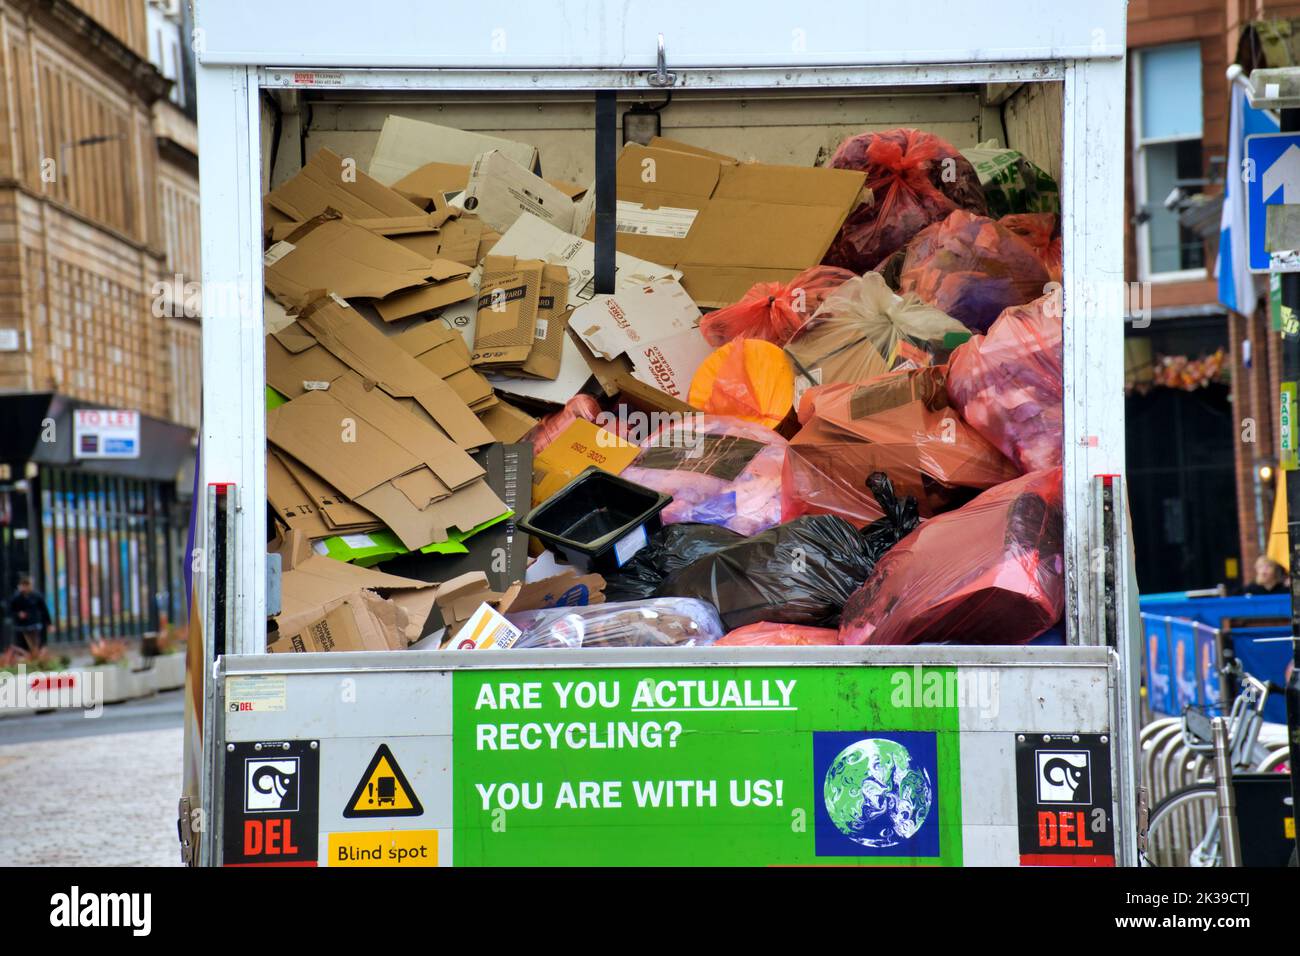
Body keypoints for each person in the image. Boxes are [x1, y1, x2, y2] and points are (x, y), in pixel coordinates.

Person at [8, 575, 51, 650]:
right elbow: (10, 610)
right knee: (22, 646)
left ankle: (35, 656)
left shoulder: (37, 596)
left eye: (27, 585)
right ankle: (26, 657)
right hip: (21, 626)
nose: (25, 588)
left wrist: (49, 623)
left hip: (34, 624)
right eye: (23, 585)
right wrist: (18, 614)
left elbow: (44, 610)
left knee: (35, 644)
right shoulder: (16, 598)